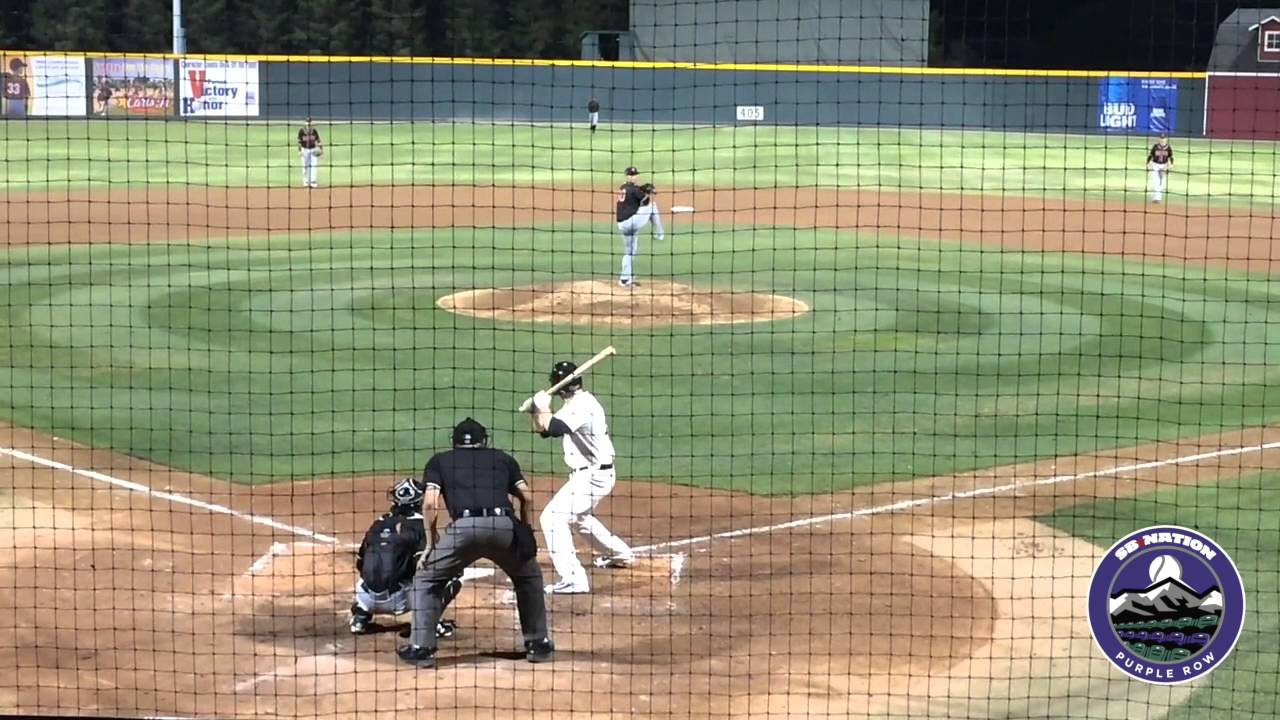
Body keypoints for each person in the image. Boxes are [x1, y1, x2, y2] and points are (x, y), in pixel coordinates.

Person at [399, 418, 553, 668]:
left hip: (464, 530)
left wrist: (430, 543)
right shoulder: (502, 458)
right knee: (529, 578)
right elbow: (527, 497)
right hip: (504, 527)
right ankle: (538, 644)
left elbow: (429, 503)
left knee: (426, 579)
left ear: (455, 441)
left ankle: (421, 648)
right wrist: (525, 529)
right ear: (485, 440)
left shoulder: (440, 461)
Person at [527, 360, 634, 595]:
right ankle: (620, 554)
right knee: (579, 518)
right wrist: (536, 410)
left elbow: (553, 428)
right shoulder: (575, 403)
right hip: (593, 474)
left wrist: (542, 405)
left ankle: (574, 579)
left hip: (593, 476)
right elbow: (544, 430)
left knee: (552, 519)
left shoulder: (582, 406)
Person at [348, 476, 461, 640]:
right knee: (453, 576)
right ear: (419, 502)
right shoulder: (422, 526)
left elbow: (360, 563)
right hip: (399, 601)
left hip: (365, 595)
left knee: (374, 570)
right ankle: (430, 624)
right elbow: (426, 566)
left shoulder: (378, 523)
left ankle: (360, 617)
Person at [615, 166, 664, 288]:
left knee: (629, 252)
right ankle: (659, 234)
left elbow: (633, 194)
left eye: (634, 174)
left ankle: (625, 279)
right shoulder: (635, 190)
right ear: (627, 175)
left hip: (622, 224)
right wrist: (647, 192)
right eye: (631, 175)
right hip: (631, 222)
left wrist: (642, 190)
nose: (633, 176)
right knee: (652, 207)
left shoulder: (623, 187)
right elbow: (646, 202)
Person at [1147, 133, 1174, 204]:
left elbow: (1171, 157)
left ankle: (1157, 196)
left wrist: (1171, 164)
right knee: (1156, 181)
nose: (1162, 140)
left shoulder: (1168, 147)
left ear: (1166, 139)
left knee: (1162, 183)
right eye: (1161, 138)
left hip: (1164, 166)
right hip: (1155, 165)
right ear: (1158, 139)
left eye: (1164, 138)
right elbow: (1151, 155)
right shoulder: (1155, 147)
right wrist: (1147, 163)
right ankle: (1157, 198)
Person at [297, 117, 323, 188]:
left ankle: (313, 181)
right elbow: (299, 142)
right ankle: (305, 181)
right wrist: (299, 151)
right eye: (307, 122)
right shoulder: (302, 131)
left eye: (309, 122)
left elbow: (318, 140)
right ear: (305, 123)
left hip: (313, 149)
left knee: (314, 165)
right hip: (304, 149)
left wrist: (321, 149)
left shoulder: (314, 131)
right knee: (305, 165)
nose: (308, 123)